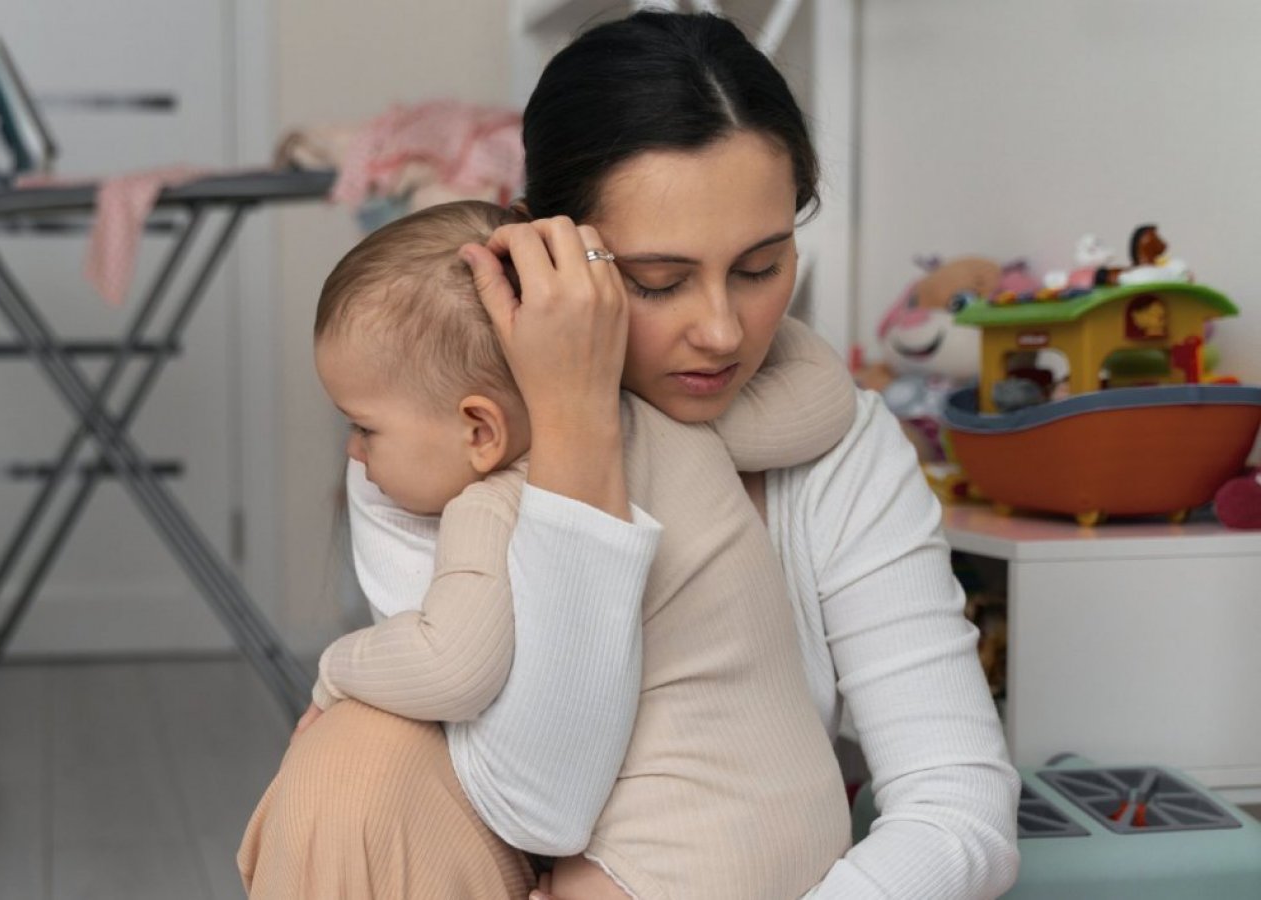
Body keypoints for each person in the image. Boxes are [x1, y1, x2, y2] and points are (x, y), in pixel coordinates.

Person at [242, 11, 1019, 899]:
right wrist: (576, 431)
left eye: (762, 268)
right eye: (658, 281)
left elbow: (958, 807)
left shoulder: (838, 451)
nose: (723, 332)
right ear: (539, 254)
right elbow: (540, 805)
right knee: (352, 766)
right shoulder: (434, 451)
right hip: (492, 848)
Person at [290, 198, 859, 898]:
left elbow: (453, 666)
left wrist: (335, 669)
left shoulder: (490, 507)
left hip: (661, 863)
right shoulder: (671, 416)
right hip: (812, 822)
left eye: (364, 428)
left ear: (480, 433)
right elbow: (828, 399)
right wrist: (631, 347)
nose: (353, 452)